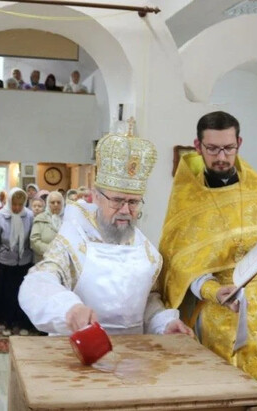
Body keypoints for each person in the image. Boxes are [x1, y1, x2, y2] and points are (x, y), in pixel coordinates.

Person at [158, 111, 257, 408]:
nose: (221, 157)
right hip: (213, 316)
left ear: (239, 142)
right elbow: (179, 266)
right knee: (213, 395)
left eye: (228, 148)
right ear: (198, 146)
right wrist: (213, 290)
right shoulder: (186, 198)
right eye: (212, 149)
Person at [19, 124, 192, 336]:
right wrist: (69, 308)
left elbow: (147, 300)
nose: (126, 210)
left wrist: (163, 323)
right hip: (78, 353)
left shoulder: (145, 249)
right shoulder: (74, 241)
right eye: (118, 200)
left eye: (134, 202)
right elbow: (37, 282)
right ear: (96, 197)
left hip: (132, 358)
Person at [0, 188, 35, 335]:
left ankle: (22, 323)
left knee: (22, 294)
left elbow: (32, 240)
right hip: (6, 261)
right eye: (14, 204)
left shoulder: (29, 215)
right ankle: (8, 324)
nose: (17, 208)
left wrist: (34, 263)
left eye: (20, 205)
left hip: (24, 261)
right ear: (9, 202)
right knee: (7, 294)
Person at [30, 190, 64, 262]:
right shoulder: (40, 218)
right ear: (48, 204)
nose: (56, 204)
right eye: (52, 202)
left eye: (58, 202)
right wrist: (52, 250)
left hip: (62, 261)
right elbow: (34, 241)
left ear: (62, 204)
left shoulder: (67, 220)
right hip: (43, 260)